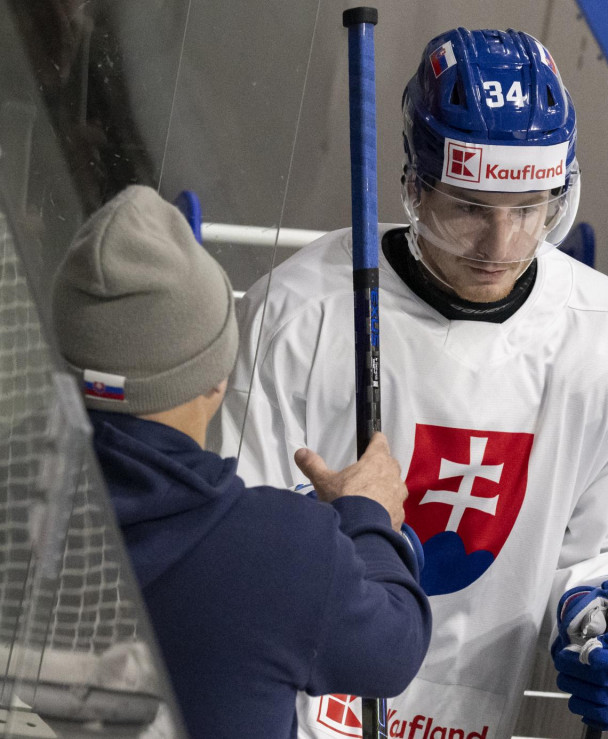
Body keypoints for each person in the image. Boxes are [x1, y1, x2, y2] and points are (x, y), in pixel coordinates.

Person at [219, 28, 608, 738]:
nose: (500, 246)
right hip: (298, 711)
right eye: (470, 208)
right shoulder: (300, 314)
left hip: (478, 712)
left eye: (530, 210)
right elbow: (233, 540)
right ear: (415, 185)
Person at [50, 185, 432, 739]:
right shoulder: (280, 548)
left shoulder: (20, 496)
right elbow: (392, 650)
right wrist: (367, 518)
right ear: (217, 375)